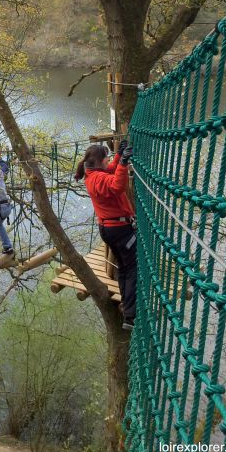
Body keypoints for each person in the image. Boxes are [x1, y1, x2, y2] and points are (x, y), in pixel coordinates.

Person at [74, 140, 136, 330]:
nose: (109, 161)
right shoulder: (97, 179)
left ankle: (127, 306)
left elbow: (110, 170)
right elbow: (117, 185)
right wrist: (123, 164)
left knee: (124, 267)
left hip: (110, 230)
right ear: (100, 161)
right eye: (107, 158)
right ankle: (131, 316)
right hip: (119, 230)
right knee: (132, 268)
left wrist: (118, 157)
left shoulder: (93, 174)